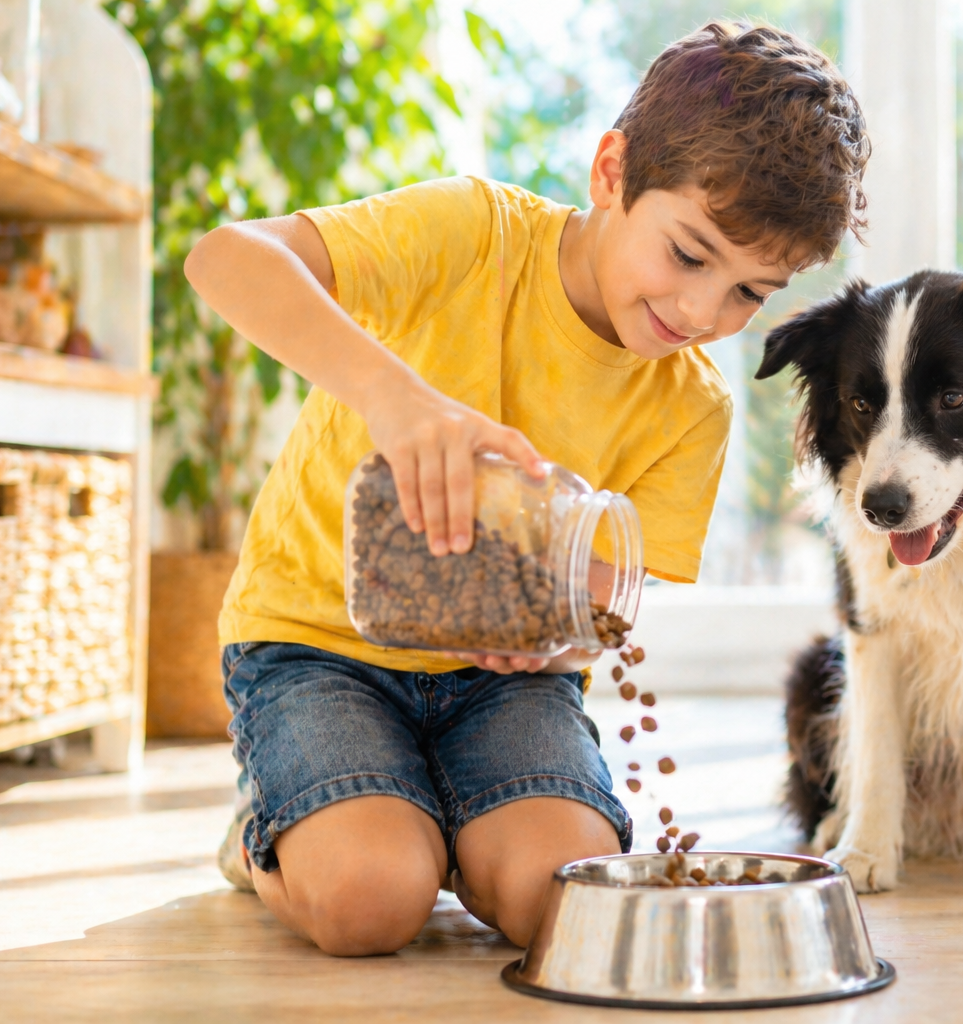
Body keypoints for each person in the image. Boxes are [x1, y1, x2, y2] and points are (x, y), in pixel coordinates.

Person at [184, 22, 869, 956]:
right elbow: (222, 258)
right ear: (613, 171)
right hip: (317, 645)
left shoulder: (691, 408)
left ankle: (429, 820)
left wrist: (549, 633)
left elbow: (603, 603)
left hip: (500, 689)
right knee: (369, 903)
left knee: (562, 903)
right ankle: (277, 834)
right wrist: (395, 398)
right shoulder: (472, 234)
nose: (703, 314)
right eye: (689, 254)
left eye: (751, 293)